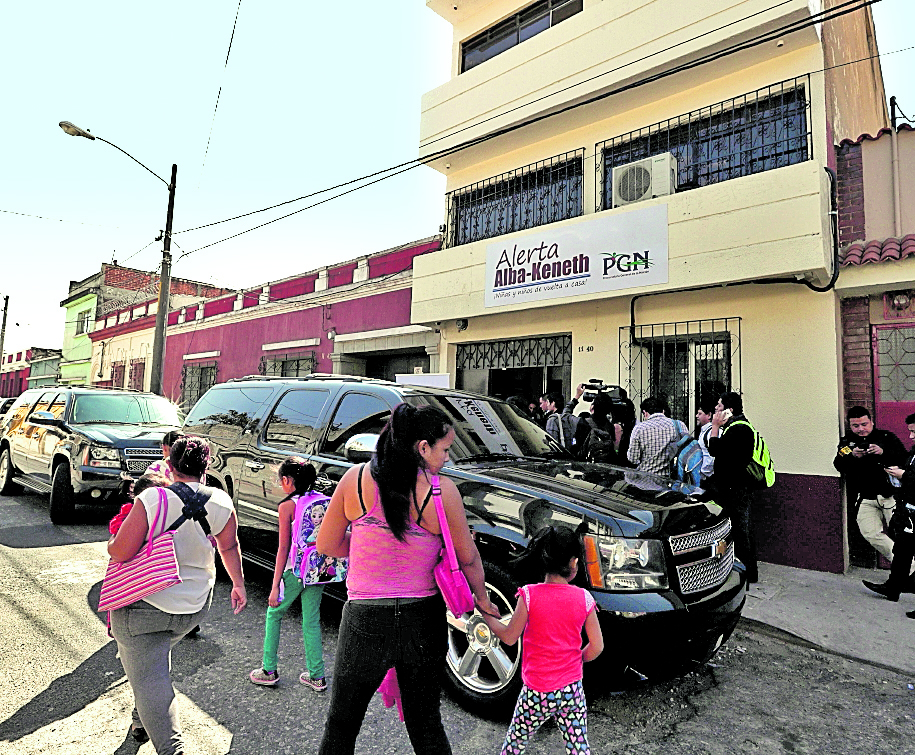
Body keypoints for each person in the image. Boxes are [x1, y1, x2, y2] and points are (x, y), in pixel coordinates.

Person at [315, 403, 497, 755]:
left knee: (342, 723)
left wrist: (370, 542)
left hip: (364, 617)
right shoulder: (442, 492)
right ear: (423, 447)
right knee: (425, 722)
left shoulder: (354, 480)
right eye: (445, 449)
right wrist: (483, 599)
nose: (448, 458)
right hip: (422, 619)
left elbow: (328, 543)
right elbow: (467, 557)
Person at [107, 436, 247, 754]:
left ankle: (173, 748)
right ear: (206, 467)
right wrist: (238, 585)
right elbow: (228, 546)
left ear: (169, 466)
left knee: (151, 679)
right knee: (151, 666)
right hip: (194, 607)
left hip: (144, 606)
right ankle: (141, 722)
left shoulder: (153, 499)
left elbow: (121, 552)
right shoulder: (222, 503)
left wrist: (112, 540)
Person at [478, 525, 603, 754]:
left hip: (536, 691)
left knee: (515, 743)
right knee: (578, 747)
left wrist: (486, 614)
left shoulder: (529, 596)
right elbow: (597, 646)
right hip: (571, 690)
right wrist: (577, 660)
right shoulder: (584, 599)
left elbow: (508, 636)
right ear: (574, 563)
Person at [249, 456, 329, 691]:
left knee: (274, 613)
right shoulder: (324, 501)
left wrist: (275, 585)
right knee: (311, 620)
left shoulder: (287, 506)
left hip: (295, 570)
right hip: (318, 570)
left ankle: (268, 670)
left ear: (287, 480)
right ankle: (317, 676)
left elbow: (283, 548)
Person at [833, 406, 906, 564]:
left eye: (864, 424)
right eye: (855, 426)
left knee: (902, 534)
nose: (860, 429)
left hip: (890, 496)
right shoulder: (847, 443)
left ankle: (906, 569)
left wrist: (883, 452)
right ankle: (903, 564)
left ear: (872, 422)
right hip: (865, 497)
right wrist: (852, 456)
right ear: (850, 425)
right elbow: (838, 464)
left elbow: (904, 459)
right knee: (871, 534)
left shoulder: (886, 437)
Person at [863, 412, 915, 608]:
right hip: (908, 511)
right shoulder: (914, 451)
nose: (911, 436)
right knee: (902, 551)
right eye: (910, 432)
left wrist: (904, 475)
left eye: (914, 432)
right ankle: (893, 588)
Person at [707, 392, 759, 583]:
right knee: (737, 530)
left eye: (719, 408)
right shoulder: (736, 428)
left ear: (729, 410)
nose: (715, 411)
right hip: (732, 489)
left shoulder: (739, 429)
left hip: (736, 490)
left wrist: (714, 427)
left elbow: (715, 450)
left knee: (740, 531)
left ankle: (746, 573)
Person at [567, 386, 625, 464]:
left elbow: (576, 448)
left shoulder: (583, 423)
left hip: (586, 465)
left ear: (593, 407)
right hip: (605, 465)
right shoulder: (610, 426)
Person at [627, 397, 680, 475]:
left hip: (646, 478)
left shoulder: (639, 429)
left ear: (645, 412)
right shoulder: (679, 425)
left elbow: (633, 458)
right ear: (663, 411)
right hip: (672, 478)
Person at [695, 398, 716, 484]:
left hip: (708, 479)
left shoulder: (711, 432)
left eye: (700, 413)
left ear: (709, 415)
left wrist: (702, 473)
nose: (696, 416)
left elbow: (712, 456)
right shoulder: (704, 431)